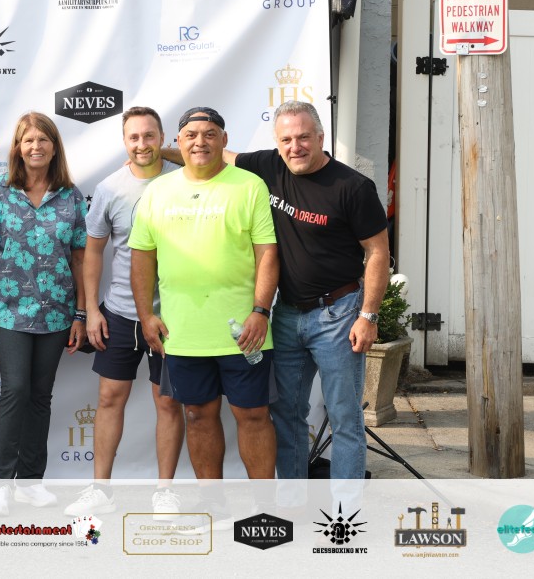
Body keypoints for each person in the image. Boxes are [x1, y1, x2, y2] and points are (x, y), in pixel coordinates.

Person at [233, 101, 389, 481]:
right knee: (286, 413)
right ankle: (292, 503)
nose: (295, 147)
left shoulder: (353, 187)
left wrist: (368, 316)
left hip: (339, 315)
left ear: (320, 137)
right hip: (287, 314)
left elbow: (378, 252)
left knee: (344, 417)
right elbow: (214, 154)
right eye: (286, 139)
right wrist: (159, 152)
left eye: (303, 137)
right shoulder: (269, 166)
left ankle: (345, 509)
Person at [129, 107, 278, 492]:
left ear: (224, 140)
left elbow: (267, 253)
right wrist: (146, 315)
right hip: (182, 332)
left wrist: (260, 310)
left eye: (210, 134)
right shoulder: (157, 191)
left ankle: (264, 509)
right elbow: (142, 258)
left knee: (254, 416)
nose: (200, 142)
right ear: (178, 142)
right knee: (196, 415)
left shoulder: (250, 186)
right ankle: (213, 505)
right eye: (192, 135)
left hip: (245, 331)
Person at [63, 106, 184, 518]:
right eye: (134, 137)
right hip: (118, 312)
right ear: (124, 142)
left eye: (149, 136)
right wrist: (91, 310)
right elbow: (93, 252)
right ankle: (101, 490)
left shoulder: (184, 181)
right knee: (109, 398)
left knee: (167, 403)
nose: (142, 144)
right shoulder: (109, 188)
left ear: (163, 138)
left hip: (172, 316)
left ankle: (165, 492)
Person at [0, 111, 88, 516]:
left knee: (40, 397)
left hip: (57, 313)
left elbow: (80, 257)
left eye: (43, 139)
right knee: (15, 390)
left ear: (54, 146)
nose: (36, 146)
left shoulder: (71, 196)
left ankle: (31, 482)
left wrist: (81, 314)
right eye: (28, 140)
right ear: (18, 147)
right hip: (9, 312)